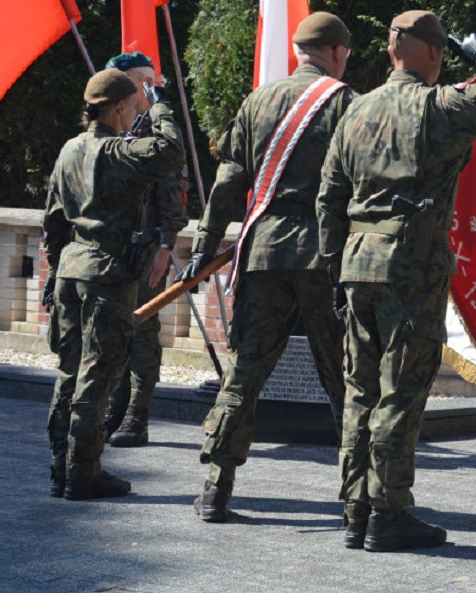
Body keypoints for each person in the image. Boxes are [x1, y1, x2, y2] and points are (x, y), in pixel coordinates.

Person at [317, 10, 476, 552]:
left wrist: (334, 268)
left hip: (357, 264)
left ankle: (355, 510)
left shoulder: (354, 110)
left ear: (391, 50)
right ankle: (389, 514)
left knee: (360, 391)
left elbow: (329, 197)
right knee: (401, 390)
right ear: (436, 54)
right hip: (411, 266)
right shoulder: (439, 106)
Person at [176, 12, 355, 523]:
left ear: (299, 52)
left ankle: (216, 487)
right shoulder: (347, 104)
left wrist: (204, 245)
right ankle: (360, 499)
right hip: (324, 255)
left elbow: (228, 182)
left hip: (263, 253)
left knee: (245, 372)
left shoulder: (258, 101)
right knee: (345, 378)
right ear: (337, 53)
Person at [42, 68, 185, 500]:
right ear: (120, 107)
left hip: (71, 269)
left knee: (69, 372)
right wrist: (161, 106)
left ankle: (61, 468)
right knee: (98, 374)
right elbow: (169, 152)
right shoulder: (115, 152)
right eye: (133, 105)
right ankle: (83, 472)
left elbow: (53, 221)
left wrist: (55, 271)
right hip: (107, 274)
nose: (135, 112)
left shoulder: (69, 150)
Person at [100, 52, 191, 448]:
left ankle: (137, 414)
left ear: (142, 82)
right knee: (115, 328)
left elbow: (174, 190)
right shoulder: (115, 124)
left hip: (148, 244)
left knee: (143, 328)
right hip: (115, 244)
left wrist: (166, 244)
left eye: (122, 80)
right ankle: (115, 406)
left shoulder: (158, 126)